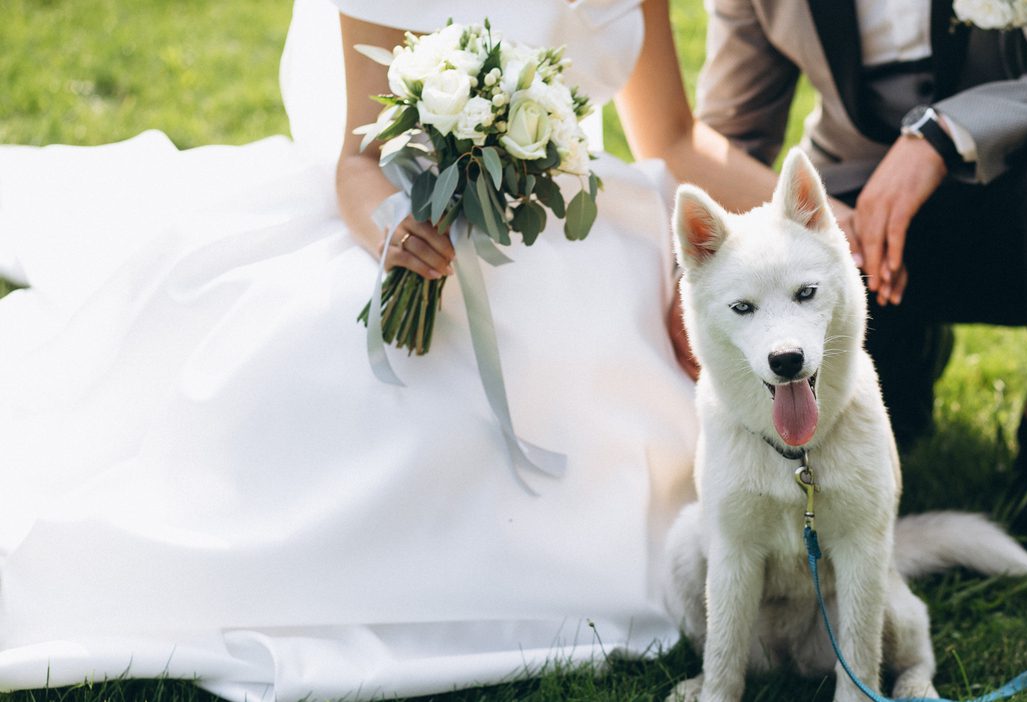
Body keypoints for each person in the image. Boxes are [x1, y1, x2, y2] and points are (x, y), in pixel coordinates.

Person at [0, 1, 789, 699]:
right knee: (358, 396)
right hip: (415, 224)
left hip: (581, 231)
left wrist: (805, 219)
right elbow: (356, 158)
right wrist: (396, 238)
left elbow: (676, 140)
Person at [693, 0, 1027, 555]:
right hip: (862, 220)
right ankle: (911, 348)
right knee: (861, 412)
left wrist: (948, 133)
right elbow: (732, 135)